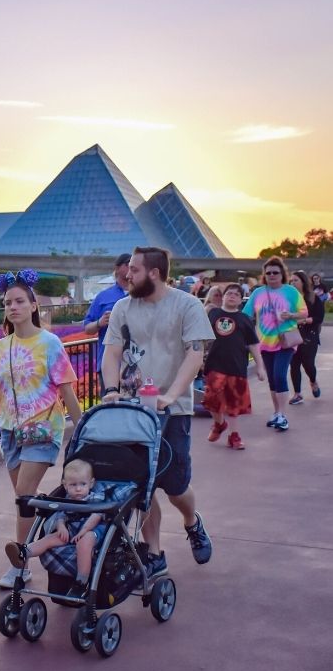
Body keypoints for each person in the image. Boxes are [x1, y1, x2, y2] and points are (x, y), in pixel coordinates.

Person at [101, 246, 215, 577]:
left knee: (175, 485)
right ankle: (154, 553)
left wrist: (171, 395)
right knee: (142, 485)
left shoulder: (187, 305)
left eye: (134, 270)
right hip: (132, 409)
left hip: (172, 410)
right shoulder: (123, 307)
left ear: (153, 273)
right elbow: (112, 353)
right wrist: (111, 391)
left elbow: (195, 356)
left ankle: (192, 522)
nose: (127, 274)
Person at [0, 268, 82, 588]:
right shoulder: (0, 348)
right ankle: (54, 517)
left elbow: (67, 390)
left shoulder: (50, 343)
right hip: (10, 431)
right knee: (26, 498)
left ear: (33, 306)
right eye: (7, 303)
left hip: (44, 428)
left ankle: (21, 563)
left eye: (19, 301)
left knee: (23, 497)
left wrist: (82, 428)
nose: (13, 307)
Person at [4, 458, 104, 600]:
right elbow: (60, 515)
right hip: (71, 531)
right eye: (73, 485)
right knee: (50, 538)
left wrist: (83, 531)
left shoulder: (95, 497)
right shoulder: (67, 497)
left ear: (91, 483)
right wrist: (61, 526)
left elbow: (97, 516)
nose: (78, 489)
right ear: (65, 485)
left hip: (92, 531)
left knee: (85, 542)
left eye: (83, 484)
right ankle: (23, 553)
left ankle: (81, 582)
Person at [242, 256, 307, 432]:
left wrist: (291, 315)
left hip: (285, 342)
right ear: (264, 274)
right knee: (272, 379)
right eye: (268, 272)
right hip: (264, 343)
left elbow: (304, 312)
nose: (272, 275)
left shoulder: (291, 292)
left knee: (279, 375)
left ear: (282, 274)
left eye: (275, 272)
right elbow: (245, 315)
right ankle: (277, 412)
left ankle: (283, 416)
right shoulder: (258, 293)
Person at [202, 283, 266, 450]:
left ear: (240, 300)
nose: (232, 296)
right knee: (211, 399)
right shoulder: (213, 313)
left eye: (236, 295)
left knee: (234, 404)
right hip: (215, 364)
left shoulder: (244, 319)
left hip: (237, 366)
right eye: (229, 293)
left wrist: (260, 366)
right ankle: (219, 424)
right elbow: (202, 336)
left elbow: (253, 344)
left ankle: (234, 435)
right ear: (222, 296)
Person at [83, 253, 130, 395]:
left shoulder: (143, 297)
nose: (131, 269)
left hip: (138, 363)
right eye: (128, 264)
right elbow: (87, 328)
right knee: (112, 409)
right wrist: (100, 322)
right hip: (110, 364)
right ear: (117, 268)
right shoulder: (103, 296)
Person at [288, 270, 324, 405]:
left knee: (308, 364)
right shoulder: (289, 299)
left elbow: (319, 317)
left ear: (303, 282)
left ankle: (313, 381)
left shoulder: (313, 298)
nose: (292, 283)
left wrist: (304, 321)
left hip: (310, 335)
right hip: (292, 334)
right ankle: (297, 394)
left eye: (295, 280)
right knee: (294, 364)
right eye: (291, 281)